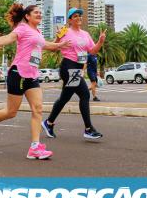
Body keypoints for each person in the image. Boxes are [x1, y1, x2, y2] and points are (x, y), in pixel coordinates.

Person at [0, 3, 69, 160]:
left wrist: (60, 43)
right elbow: (8, 38)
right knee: (11, 112)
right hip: (19, 74)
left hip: (32, 76)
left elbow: (48, 46)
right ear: (27, 16)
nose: (39, 14)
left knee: (37, 109)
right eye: (36, 12)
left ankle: (35, 148)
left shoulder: (37, 32)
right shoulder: (22, 28)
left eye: (40, 12)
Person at [41, 8, 105, 141]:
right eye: (75, 16)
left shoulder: (85, 34)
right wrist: (58, 37)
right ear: (70, 20)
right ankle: (88, 129)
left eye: (80, 15)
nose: (78, 18)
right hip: (68, 66)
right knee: (85, 94)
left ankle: (49, 122)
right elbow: (54, 47)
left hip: (78, 67)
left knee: (64, 98)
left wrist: (100, 41)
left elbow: (92, 51)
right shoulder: (65, 31)